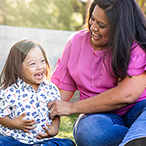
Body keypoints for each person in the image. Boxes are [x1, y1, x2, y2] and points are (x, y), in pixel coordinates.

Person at [48, 0, 146, 146]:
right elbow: (58, 93)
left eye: (102, 25)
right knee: (88, 130)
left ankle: (137, 137)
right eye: (92, 19)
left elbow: (127, 95)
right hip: (98, 117)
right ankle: (136, 137)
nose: (93, 27)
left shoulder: (136, 45)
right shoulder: (76, 42)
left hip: (138, 112)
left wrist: (72, 108)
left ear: (120, 27)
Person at [0, 39, 75, 146]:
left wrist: (54, 129)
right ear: (17, 69)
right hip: (15, 140)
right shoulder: (8, 91)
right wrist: (14, 123)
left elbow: (55, 113)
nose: (39, 67)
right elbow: (1, 116)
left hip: (42, 140)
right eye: (32, 64)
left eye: (42, 61)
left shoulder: (51, 89)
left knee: (68, 144)